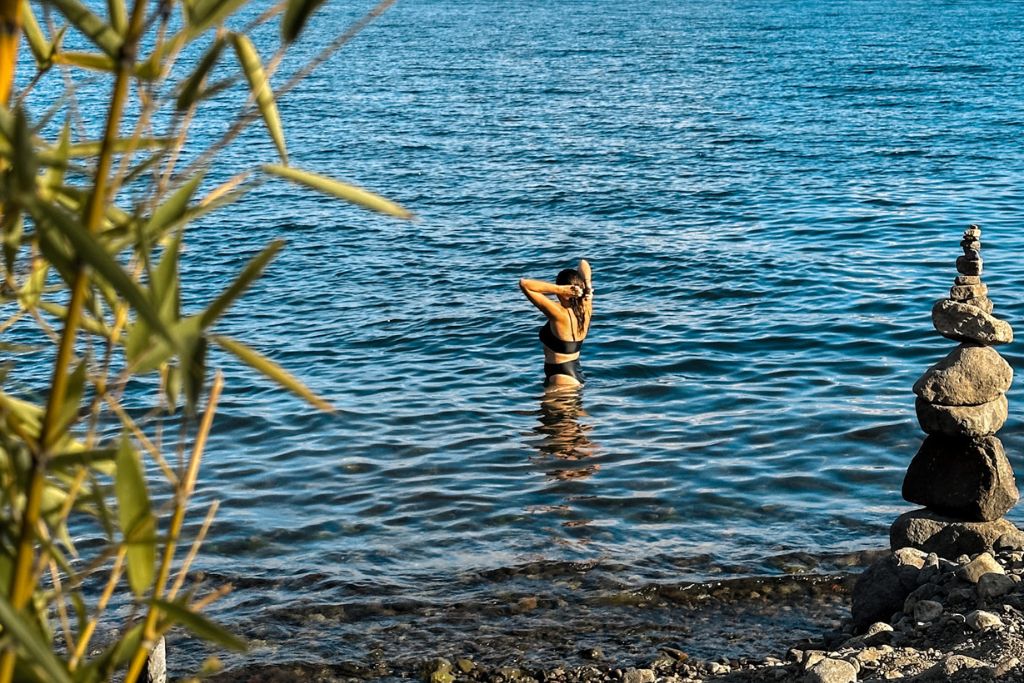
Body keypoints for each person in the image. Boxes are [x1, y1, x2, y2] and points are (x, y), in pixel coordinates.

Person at [519, 260, 593, 387]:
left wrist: (558, 289)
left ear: (564, 291)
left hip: (561, 376)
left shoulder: (559, 313)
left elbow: (524, 284)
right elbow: (583, 263)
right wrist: (587, 285)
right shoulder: (585, 307)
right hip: (574, 372)